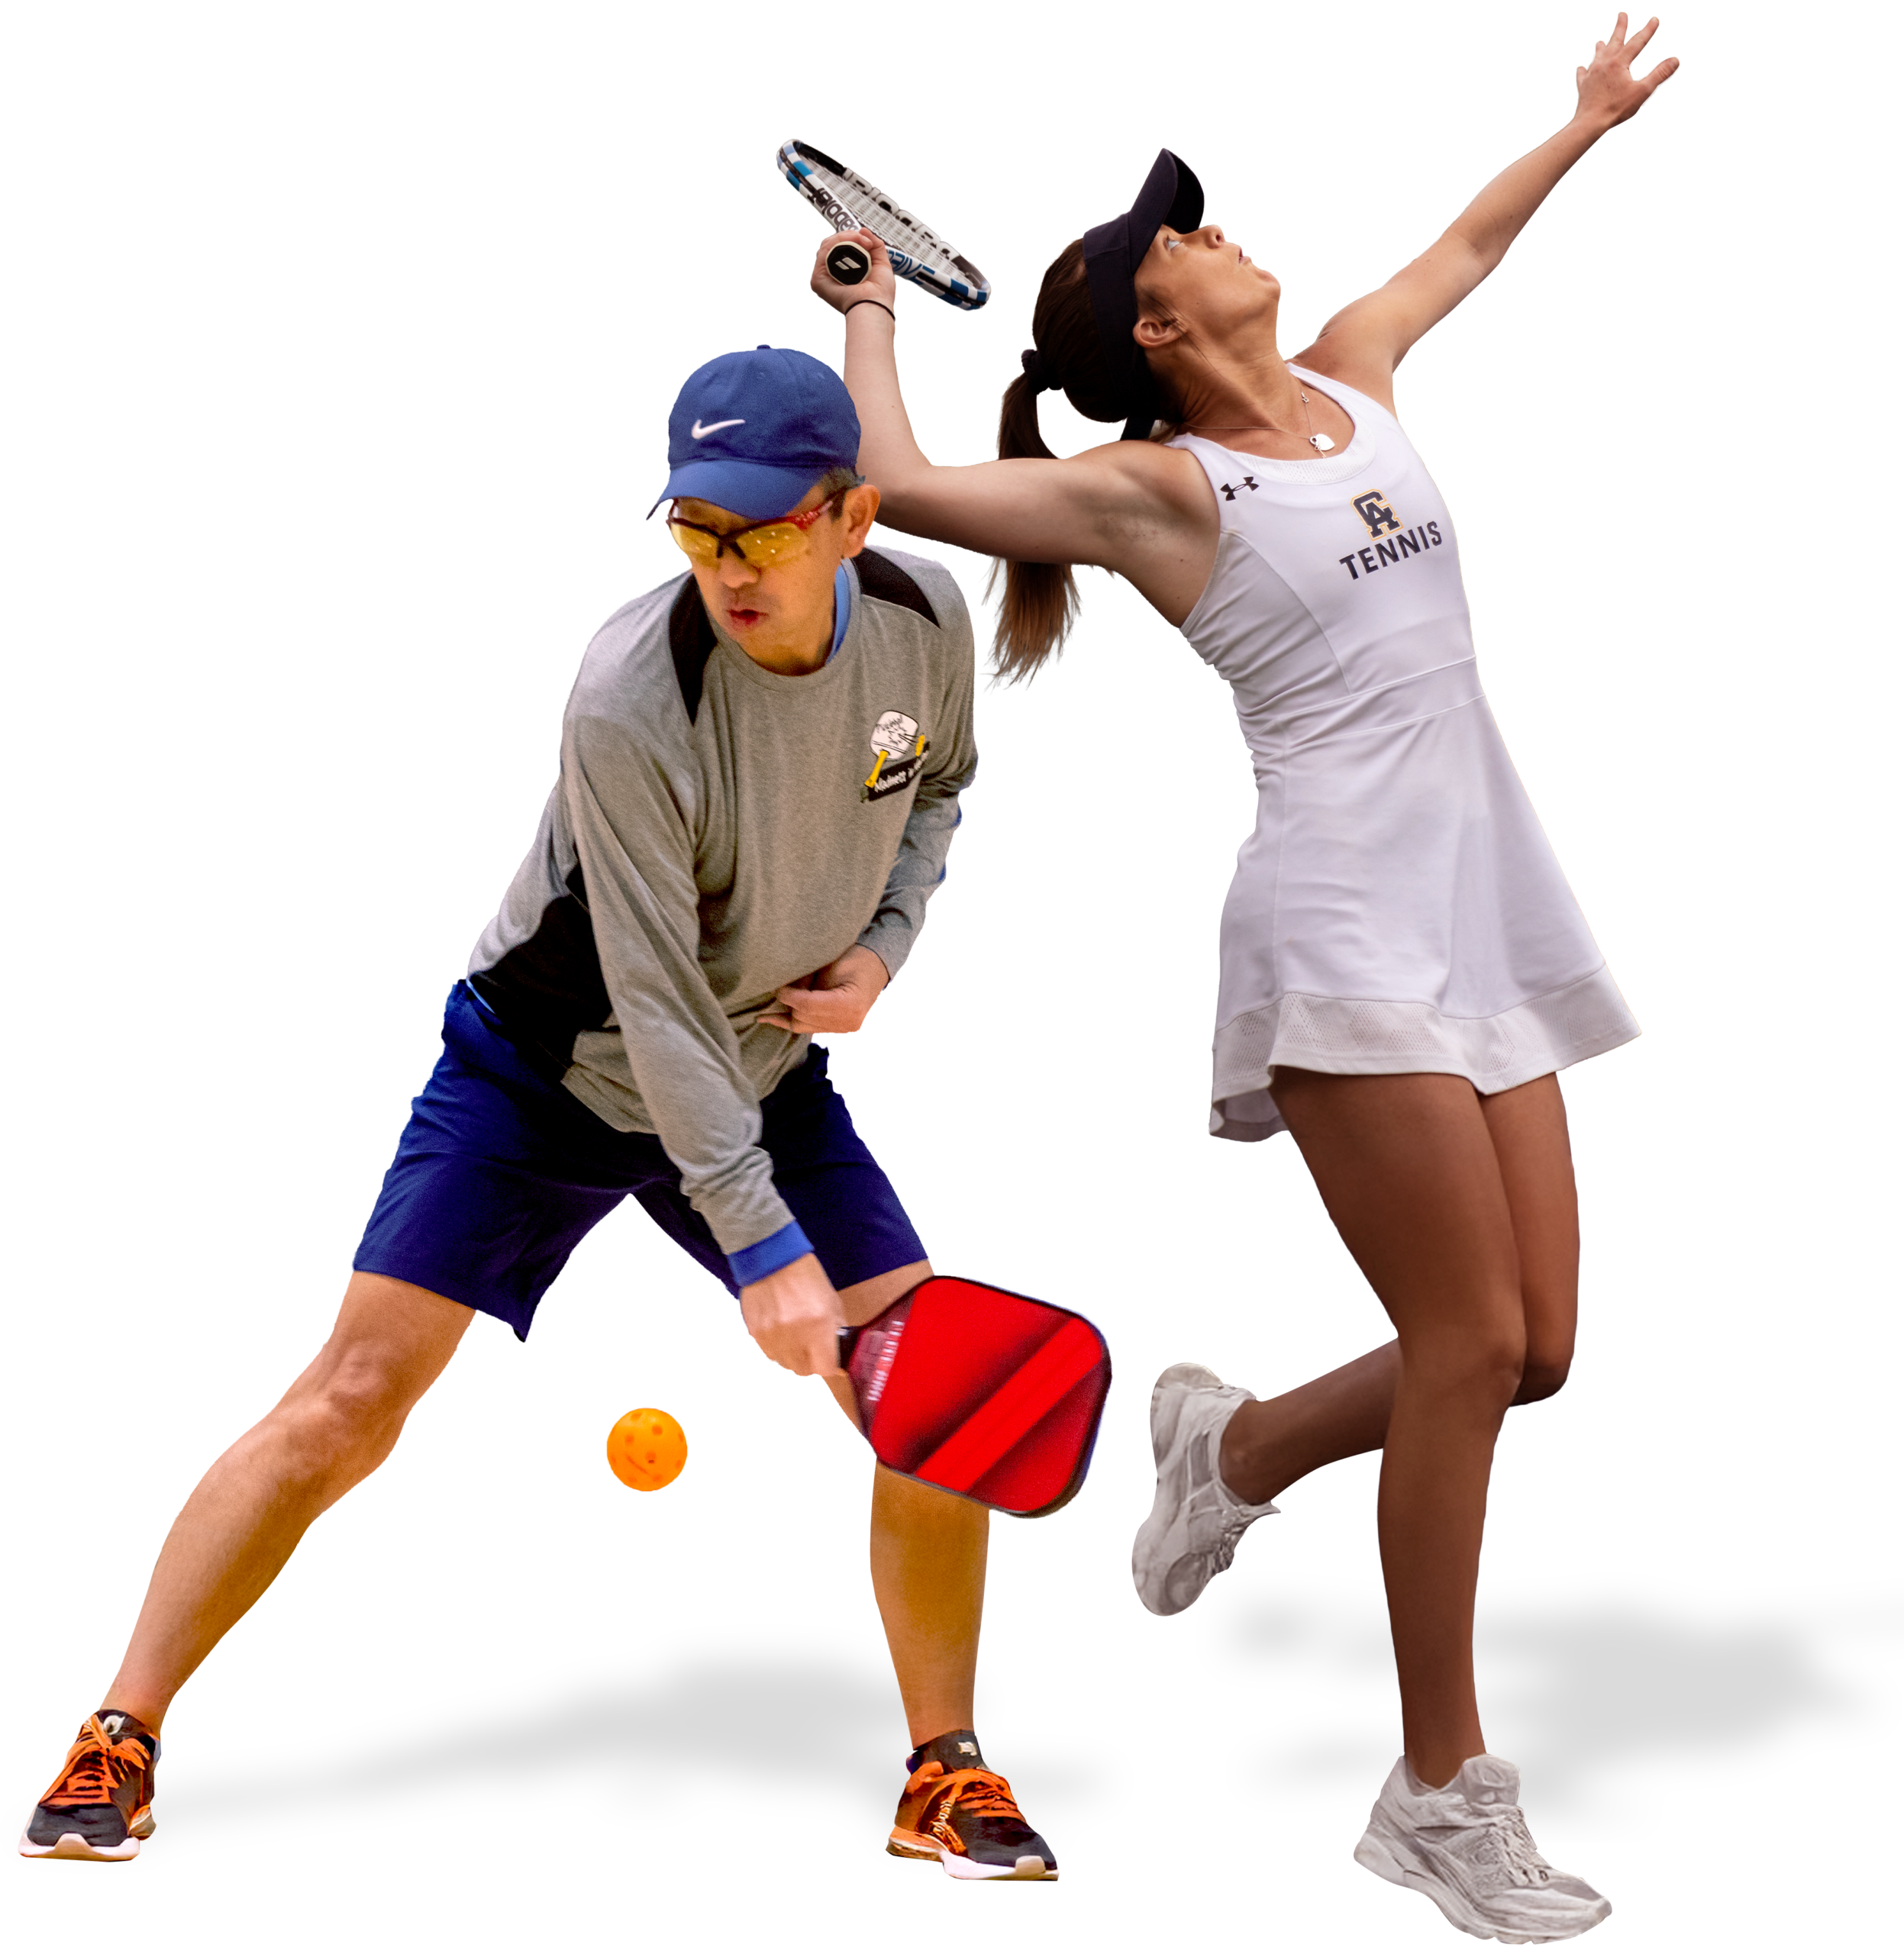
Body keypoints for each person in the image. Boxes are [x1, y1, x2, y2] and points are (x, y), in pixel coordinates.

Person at [806, 12, 1678, 1939]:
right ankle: (1437, 1792)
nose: (1211, 235)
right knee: (1460, 1349)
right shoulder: (1153, 491)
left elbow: (1461, 248)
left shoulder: (1348, 381)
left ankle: (1231, 1441)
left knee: (1534, 1349)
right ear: (1144, 326)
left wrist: (1577, 129)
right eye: (1178, 240)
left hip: (1478, 900)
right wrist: (867, 305)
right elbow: (903, 480)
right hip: (1343, 918)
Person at [18, 344, 1061, 1882]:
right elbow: (647, 995)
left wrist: (886, 946)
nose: (726, 566)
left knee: (931, 1403)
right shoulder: (633, 694)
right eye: (695, 529)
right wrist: (759, 1238)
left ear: (848, 517)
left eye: (762, 529)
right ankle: (116, 1731)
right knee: (350, 1398)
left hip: (772, 1068)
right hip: (542, 1076)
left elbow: (944, 785)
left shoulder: (924, 618)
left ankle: (942, 1767)